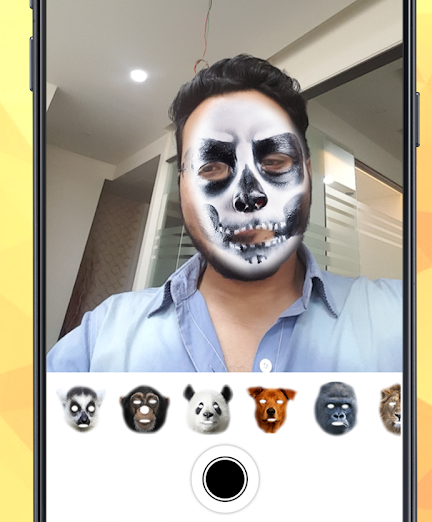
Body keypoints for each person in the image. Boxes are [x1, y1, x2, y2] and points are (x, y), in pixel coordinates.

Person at [47, 54, 402, 372]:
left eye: (274, 161)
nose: (248, 196)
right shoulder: (102, 339)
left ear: (307, 174)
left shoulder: (403, 320)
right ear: (182, 185)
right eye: (211, 168)